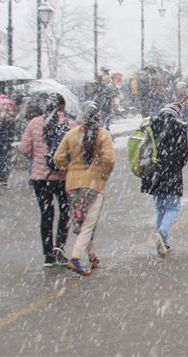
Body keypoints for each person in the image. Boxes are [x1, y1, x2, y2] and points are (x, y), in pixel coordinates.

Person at [51, 102, 115, 276]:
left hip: (72, 184)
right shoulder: (103, 135)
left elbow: (58, 157)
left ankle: (92, 256)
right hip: (93, 184)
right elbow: (109, 160)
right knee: (88, 224)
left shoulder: (71, 134)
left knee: (81, 220)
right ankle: (76, 258)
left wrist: (69, 168)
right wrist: (102, 174)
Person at [19, 94, 71, 267]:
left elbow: (24, 148)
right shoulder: (70, 124)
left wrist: (38, 160)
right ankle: (60, 247)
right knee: (65, 213)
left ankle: (48, 255)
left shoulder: (34, 123)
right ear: (62, 106)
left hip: (41, 178)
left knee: (46, 214)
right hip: (63, 177)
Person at [141, 103, 188, 258]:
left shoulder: (152, 124)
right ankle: (162, 233)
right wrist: (175, 165)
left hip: (154, 172)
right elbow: (183, 154)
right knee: (173, 207)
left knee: (160, 207)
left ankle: (163, 240)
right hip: (172, 172)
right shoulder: (180, 127)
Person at [0, 93, 17, 187]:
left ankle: (2, 176)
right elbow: (14, 120)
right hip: (8, 135)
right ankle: (6, 174)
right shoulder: (10, 103)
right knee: (6, 155)